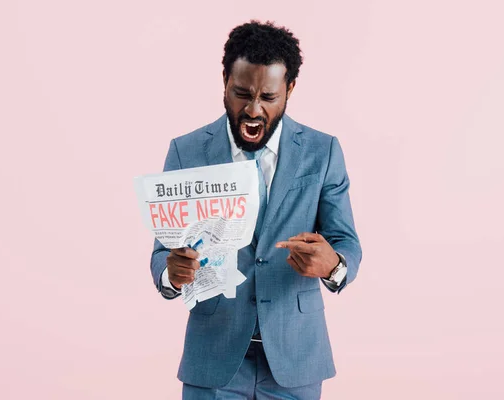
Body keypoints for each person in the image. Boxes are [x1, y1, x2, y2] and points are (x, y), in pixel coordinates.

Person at [149, 20, 362, 399]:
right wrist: (172, 273)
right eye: (241, 93)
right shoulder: (187, 152)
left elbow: (345, 241)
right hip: (214, 357)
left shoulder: (323, 151)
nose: (253, 109)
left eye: (268, 97)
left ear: (289, 89)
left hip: (295, 358)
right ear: (225, 81)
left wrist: (333, 265)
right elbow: (162, 253)